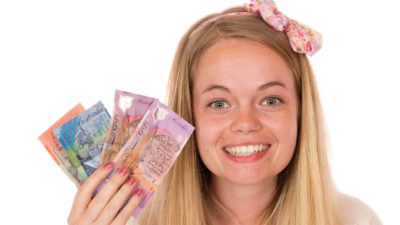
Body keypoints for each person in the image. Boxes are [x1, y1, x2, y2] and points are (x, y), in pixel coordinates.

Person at [67, 0, 383, 224]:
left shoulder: (355, 221)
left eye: (270, 100)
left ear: (302, 112)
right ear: (187, 117)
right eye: (219, 104)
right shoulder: (133, 222)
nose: (245, 124)